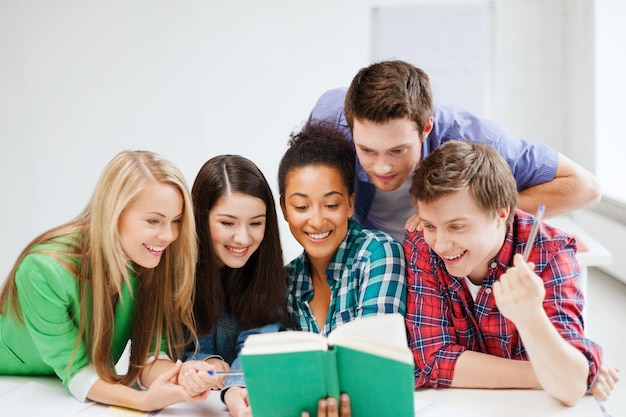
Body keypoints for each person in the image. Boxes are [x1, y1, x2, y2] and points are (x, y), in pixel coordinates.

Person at [404, 140, 619, 406]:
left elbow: (570, 388)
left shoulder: (550, 252)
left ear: (500, 214)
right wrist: (543, 373)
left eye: (457, 227)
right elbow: (432, 358)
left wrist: (531, 317)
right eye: (430, 225)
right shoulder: (421, 246)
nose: (441, 244)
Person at [0, 150, 214, 411]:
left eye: (176, 221)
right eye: (153, 220)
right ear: (114, 212)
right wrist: (143, 401)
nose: (168, 235)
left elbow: (150, 354)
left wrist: (183, 375)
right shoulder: (43, 269)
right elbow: (78, 372)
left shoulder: (149, 260)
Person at [308, 60, 601, 242]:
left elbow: (584, 187)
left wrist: (464, 213)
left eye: (398, 150)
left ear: (426, 129)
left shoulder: (473, 139)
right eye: (368, 150)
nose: (383, 167)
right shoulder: (328, 121)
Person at [178, 155, 288, 417]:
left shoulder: (267, 273)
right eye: (227, 223)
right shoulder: (177, 273)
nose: (242, 238)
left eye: (256, 223)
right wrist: (205, 363)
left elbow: (259, 343)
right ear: (201, 219)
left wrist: (235, 387)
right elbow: (169, 347)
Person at [278, 121, 407, 336]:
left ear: (350, 204)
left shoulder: (378, 253)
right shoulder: (286, 281)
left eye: (331, 205)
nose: (317, 221)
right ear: (284, 209)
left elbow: (374, 357)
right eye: (302, 207)